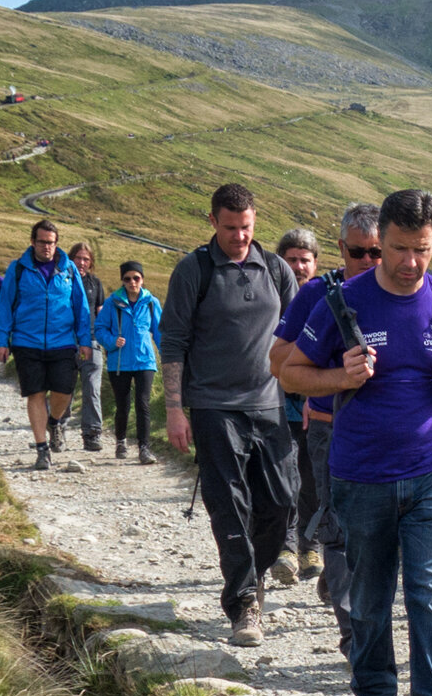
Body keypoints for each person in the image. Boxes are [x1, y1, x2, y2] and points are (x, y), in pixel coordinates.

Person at [277, 190, 432, 696]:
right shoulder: (344, 300)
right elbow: (289, 372)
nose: (410, 262)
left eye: (422, 249)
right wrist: (339, 376)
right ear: (381, 240)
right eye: (398, 249)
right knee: (368, 596)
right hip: (360, 473)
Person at [161, 183, 300, 646]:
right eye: (230, 228)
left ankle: (251, 576)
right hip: (213, 406)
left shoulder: (276, 269)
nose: (239, 236)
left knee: (281, 501)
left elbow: (300, 333)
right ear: (212, 222)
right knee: (230, 505)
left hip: (270, 403)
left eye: (246, 227)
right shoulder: (194, 270)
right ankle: (242, 604)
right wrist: (175, 409)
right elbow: (174, 342)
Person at [274, 206, 383, 656]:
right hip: (329, 428)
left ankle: (347, 595)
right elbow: (279, 363)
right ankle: (355, 638)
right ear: (341, 249)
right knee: (338, 532)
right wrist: (333, 376)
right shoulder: (318, 292)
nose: (369, 261)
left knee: (376, 539)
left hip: (391, 438)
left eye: (378, 252)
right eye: (359, 252)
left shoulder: (409, 293)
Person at [0, 219, 94, 472]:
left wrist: (84, 340)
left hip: (63, 341)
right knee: (35, 393)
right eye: (42, 242)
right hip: (27, 341)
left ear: (56, 243)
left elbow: (81, 307)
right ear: (32, 241)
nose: (46, 246)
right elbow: (5, 306)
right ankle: (41, 450)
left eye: (51, 242)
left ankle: (54, 421)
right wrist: (2, 340)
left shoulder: (68, 269)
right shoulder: (18, 269)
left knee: (64, 392)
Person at [274, 226, 325, 580]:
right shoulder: (269, 297)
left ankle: (311, 547)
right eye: (290, 259)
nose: (298, 267)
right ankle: (286, 547)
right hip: (274, 404)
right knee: (284, 477)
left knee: (314, 479)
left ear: (315, 263)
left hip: (318, 407)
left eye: (304, 260)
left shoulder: (326, 300)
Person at [97, 261, 163, 460]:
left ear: (142, 279)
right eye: (127, 279)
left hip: (145, 361)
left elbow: (160, 332)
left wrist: (169, 358)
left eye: (136, 278)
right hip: (119, 363)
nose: (132, 282)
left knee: (143, 404)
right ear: (122, 280)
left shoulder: (151, 302)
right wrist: (111, 341)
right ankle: (121, 442)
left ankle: (144, 448)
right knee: (122, 405)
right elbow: (99, 329)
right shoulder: (112, 303)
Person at [67, 242, 107, 452]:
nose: (82, 263)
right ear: (70, 259)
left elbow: (101, 313)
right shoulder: (61, 280)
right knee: (63, 388)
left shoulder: (95, 283)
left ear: (91, 262)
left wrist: (104, 339)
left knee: (92, 388)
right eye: (78, 258)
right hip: (65, 342)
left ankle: (92, 433)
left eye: (86, 259)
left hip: (91, 342)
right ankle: (58, 427)